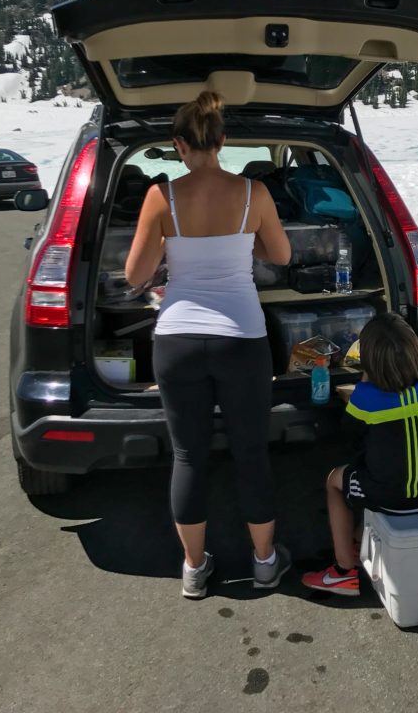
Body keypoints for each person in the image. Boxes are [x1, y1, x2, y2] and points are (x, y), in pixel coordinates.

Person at [125, 91, 292, 599]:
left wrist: (167, 253)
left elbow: (135, 275)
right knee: (250, 453)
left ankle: (194, 568)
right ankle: (265, 561)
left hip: (176, 338)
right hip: (241, 338)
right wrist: (246, 242)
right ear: (223, 141)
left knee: (188, 455)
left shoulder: (162, 197)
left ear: (178, 145)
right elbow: (280, 255)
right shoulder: (252, 194)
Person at [301, 312, 418, 597]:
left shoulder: (366, 397)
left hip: (392, 497)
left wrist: (364, 381)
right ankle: (358, 538)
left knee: (335, 480)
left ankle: (343, 571)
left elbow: (350, 435)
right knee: (375, 469)